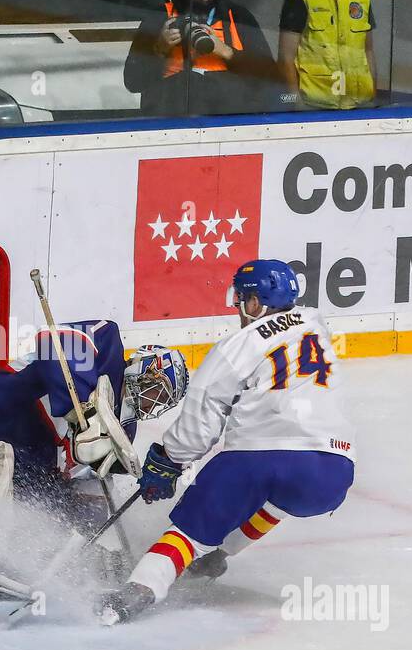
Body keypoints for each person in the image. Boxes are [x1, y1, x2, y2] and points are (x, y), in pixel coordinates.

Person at [0, 322, 189, 626]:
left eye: (160, 401)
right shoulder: (106, 347)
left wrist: (79, 546)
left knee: (8, 546)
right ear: (141, 366)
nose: (151, 400)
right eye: (154, 387)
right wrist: (79, 409)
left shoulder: (124, 430)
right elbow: (57, 342)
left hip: (22, 470)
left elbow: (86, 485)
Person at [100, 260, 356, 625]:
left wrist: (168, 460)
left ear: (255, 304)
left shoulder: (239, 345)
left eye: (243, 300)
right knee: (279, 498)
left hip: (259, 457)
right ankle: (218, 552)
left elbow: (203, 415)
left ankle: (133, 594)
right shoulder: (315, 325)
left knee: (187, 532)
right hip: (334, 469)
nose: (239, 308)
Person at [123, 0, 278, 117]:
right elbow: (132, 81)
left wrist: (224, 51)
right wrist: (160, 48)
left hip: (228, 121)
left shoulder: (238, 16)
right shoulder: (161, 16)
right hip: (172, 121)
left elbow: (269, 76)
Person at [277, 0, 377, 111]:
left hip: (360, 106)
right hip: (314, 107)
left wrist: (373, 95)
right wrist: (294, 104)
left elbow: (368, 51)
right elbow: (285, 59)